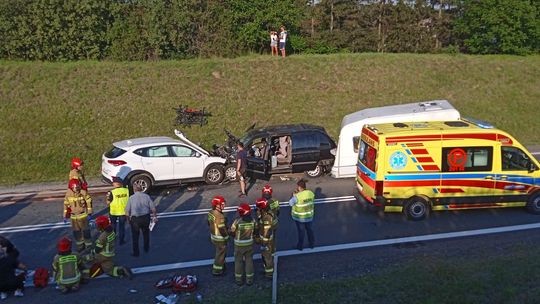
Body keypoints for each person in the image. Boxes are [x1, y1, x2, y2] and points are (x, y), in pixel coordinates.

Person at [125, 184, 157, 257]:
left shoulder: (131, 198)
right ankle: (146, 248)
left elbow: (127, 211)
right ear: (141, 189)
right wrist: (154, 217)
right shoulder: (146, 196)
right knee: (146, 233)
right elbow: (153, 208)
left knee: (135, 236)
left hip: (135, 219)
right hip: (146, 218)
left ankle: (136, 252)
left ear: (134, 190)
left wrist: (128, 220)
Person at [229, 203, 256, 286]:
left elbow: (232, 232)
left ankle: (238, 280)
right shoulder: (253, 221)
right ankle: (249, 280)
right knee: (249, 261)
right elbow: (256, 230)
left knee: (238, 261)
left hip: (239, 245)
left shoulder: (237, 221)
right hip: (249, 244)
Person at [64, 179, 93, 251]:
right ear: (71, 188)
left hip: (83, 215)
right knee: (77, 233)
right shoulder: (68, 195)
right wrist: (65, 215)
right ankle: (80, 246)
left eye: (78, 187)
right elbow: (66, 205)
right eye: (75, 187)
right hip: (74, 217)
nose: (77, 189)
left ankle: (88, 246)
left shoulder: (83, 193)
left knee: (86, 231)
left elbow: (89, 202)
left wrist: (89, 212)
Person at [288, 179, 315, 250]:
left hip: (300, 218)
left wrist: (294, 196)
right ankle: (311, 244)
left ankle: (300, 246)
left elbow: (290, 203)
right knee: (309, 230)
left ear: (299, 187)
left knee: (301, 232)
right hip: (309, 216)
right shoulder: (311, 193)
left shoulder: (297, 196)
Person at [207, 196, 229, 276]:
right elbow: (222, 229)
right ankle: (217, 271)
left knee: (219, 252)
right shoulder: (220, 216)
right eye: (222, 204)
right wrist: (226, 237)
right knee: (220, 254)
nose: (224, 205)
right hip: (220, 238)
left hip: (213, 236)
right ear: (217, 205)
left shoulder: (210, 212)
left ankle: (221, 265)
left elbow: (208, 223)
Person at [106, 177, 129, 245]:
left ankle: (113, 240)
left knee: (113, 226)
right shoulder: (126, 190)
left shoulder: (111, 192)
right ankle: (121, 241)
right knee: (122, 227)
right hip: (123, 212)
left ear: (115, 184)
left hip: (114, 212)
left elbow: (108, 202)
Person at [255, 198, 274, 278]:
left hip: (266, 240)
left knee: (267, 256)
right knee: (265, 255)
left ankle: (269, 273)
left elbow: (267, 231)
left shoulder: (267, 217)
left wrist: (264, 242)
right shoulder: (263, 213)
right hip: (263, 237)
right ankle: (267, 268)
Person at [261, 184, 280, 253]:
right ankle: (272, 249)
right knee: (273, 237)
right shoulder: (275, 201)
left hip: (265, 224)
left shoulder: (261, 202)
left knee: (265, 237)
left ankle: (266, 249)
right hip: (274, 222)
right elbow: (278, 211)